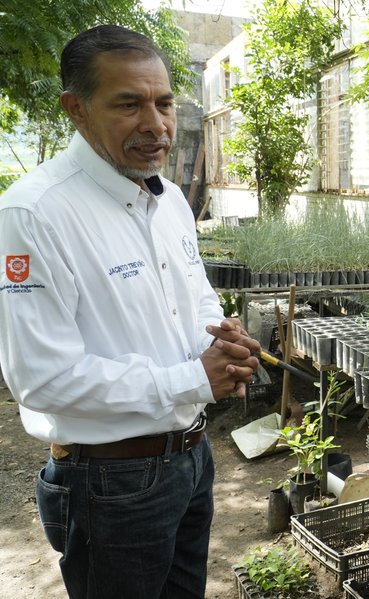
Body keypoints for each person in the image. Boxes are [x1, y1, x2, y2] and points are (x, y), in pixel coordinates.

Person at [0, 25, 260, 598]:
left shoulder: (168, 202)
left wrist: (222, 341)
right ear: (76, 109)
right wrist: (194, 378)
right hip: (109, 482)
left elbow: (197, 298)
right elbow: (41, 380)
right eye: (128, 105)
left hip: (192, 459)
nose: (156, 125)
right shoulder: (35, 214)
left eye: (164, 103)